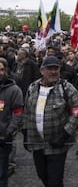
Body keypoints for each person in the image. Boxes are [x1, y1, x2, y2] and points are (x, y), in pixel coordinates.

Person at [22, 56, 78, 186]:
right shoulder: (32, 88)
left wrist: (65, 133)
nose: (53, 72)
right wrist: (25, 133)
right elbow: (26, 111)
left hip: (57, 145)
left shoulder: (67, 88)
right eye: (50, 69)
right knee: (42, 175)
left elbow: (77, 113)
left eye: (56, 69)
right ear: (42, 71)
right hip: (37, 143)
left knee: (55, 180)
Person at [0, 58, 23, 186]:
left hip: (3, 139)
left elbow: (18, 114)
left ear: (7, 71)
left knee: (1, 173)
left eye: (2, 69)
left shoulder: (14, 90)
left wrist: (8, 132)